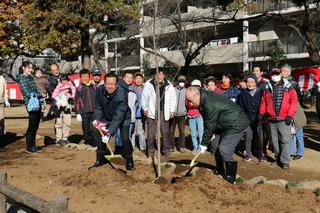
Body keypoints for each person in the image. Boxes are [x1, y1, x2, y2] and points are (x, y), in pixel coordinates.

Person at [185, 86, 249, 184]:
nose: (190, 103)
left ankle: (231, 177)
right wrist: (207, 140)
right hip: (223, 124)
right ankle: (220, 169)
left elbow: (210, 124)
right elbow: (208, 122)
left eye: (190, 100)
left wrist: (204, 143)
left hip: (236, 124)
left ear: (197, 95)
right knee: (214, 145)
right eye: (187, 100)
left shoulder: (209, 103)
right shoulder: (202, 100)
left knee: (224, 149)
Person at [90, 73, 134, 170]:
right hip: (107, 116)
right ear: (104, 83)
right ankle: (100, 159)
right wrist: (97, 122)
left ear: (117, 84)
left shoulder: (122, 94)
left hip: (123, 118)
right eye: (108, 83)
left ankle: (129, 160)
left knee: (125, 138)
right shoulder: (99, 90)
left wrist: (109, 133)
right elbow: (98, 106)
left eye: (113, 84)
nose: (110, 86)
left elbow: (118, 116)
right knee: (100, 135)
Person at [259, 68, 298, 170]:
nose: (275, 76)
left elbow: (294, 102)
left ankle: (285, 161)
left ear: (280, 74)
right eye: (273, 74)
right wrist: (261, 113)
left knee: (285, 141)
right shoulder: (267, 86)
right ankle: (278, 159)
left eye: (277, 74)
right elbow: (264, 102)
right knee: (275, 142)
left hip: (284, 119)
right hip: (271, 119)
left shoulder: (288, 87)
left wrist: (290, 115)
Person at [142, 70, 176, 158]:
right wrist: (145, 108)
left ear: (164, 75)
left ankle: (166, 150)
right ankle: (150, 150)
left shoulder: (169, 85)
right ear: (154, 75)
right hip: (152, 110)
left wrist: (172, 110)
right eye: (157, 74)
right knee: (151, 132)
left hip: (164, 111)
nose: (159, 76)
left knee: (165, 132)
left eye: (161, 74)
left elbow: (173, 98)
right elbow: (144, 97)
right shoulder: (149, 84)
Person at [237, 75, 265, 162]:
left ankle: (261, 153)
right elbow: (240, 108)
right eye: (248, 82)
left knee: (259, 137)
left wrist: (261, 115)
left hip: (259, 118)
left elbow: (264, 104)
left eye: (252, 82)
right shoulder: (242, 94)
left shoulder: (261, 92)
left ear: (256, 83)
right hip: (247, 119)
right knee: (248, 137)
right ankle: (248, 153)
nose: (250, 84)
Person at [17, 61, 42, 153]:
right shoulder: (22, 79)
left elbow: (34, 90)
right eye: (28, 68)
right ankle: (29, 146)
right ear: (23, 68)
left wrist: (40, 94)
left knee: (35, 125)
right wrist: (39, 95)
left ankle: (33, 145)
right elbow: (26, 92)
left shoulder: (30, 78)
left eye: (31, 68)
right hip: (31, 104)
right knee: (32, 126)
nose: (30, 70)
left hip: (37, 103)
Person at [74, 69, 97, 147]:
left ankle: (94, 141)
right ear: (81, 77)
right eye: (83, 77)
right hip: (84, 111)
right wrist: (78, 113)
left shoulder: (94, 86)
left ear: (89, 76)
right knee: (86, 127)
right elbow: (76, 101)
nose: (85, 78)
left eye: (87, 76)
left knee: (94, 128)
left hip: (94, 111)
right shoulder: (79, 88)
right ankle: (87, 141)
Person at [52, 74, 76, 145]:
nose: (64, 82)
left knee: (67, 121)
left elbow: (74, 90)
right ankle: (58, 138)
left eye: (65, 80)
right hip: (59, 103)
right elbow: (55, 93)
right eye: (63, 81)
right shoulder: (59, 85)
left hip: (67, 103)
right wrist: (58, 97)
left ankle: (65, 137)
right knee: (58, 121)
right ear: (61, 81)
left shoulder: (70, 84)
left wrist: (72, 96)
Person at [114, 71, 134, 152]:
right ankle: (118, 151)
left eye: (131, 78)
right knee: (118, 136)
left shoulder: (133, 89)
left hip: (129, 117)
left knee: (127, 136)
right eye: (127, 77)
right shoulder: (118, 88)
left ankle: (125, 152)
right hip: (119, 116)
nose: (129, 79)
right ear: (123, 78)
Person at [169, 75, 187, 153]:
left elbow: (188, 102)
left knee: (182, 131)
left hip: (182, 114)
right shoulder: (173, 90)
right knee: (171, 131)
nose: (181, 83)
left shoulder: (186, 91)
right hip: (173, 114)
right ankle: (171, 146)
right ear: (178, 82)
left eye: (183, 82)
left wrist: (186, 112)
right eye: (180, 81)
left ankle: (181, 146)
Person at [187, 79, 204, 155]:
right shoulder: (189, 94)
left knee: (201, 132)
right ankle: (195, 146)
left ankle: (201, 147)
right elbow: (188, 104)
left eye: (197, 86)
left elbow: (199, 104)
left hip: (199, 115)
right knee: (193, 132)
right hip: (190, 116)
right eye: (194, 86)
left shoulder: (201, 94)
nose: (196, 88)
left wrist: (193, 104)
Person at [130, 72, 146, 152]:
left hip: (142, 113)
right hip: (133, 113)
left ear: (142, 80)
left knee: (141, 131)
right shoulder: (131, 88)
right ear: (134, 80)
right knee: (132, 131)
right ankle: (132, 146)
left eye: (140, 78)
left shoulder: (145, 88)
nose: (138, 80)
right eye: (137, 78)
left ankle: (142, 147)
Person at [0, 71, 10, 135]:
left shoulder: (2, 78)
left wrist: (6, 100)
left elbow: (5, 90)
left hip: (1, 101)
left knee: (1, 118)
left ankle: (2, 132)